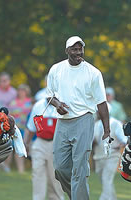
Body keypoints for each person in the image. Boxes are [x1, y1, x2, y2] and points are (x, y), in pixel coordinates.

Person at [46, 36, 110, 200]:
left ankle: (78, 196)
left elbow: (101, 103)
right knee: (60, 167)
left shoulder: (93, 73)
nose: (78, 52)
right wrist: (57, 104)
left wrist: (106, 130)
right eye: (74, 49)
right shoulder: (56, 69)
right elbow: (49, 96)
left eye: (80, 49)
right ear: (67, 51)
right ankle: (77, 195)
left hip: (84, 120)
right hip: (63, 122)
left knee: (79, 168)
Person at [24, 97, 64, 200]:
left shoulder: (62, 104)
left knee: (55, 177)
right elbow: (31, 127)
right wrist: (26, 144)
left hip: (56, 144)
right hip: (40, 142)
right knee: (37, 174)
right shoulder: (38, 105)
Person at [93, 104, 127, 200]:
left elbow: (124, 140)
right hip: (98, 156)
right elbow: (93, 140)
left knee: (106, 179)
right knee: (105, 181)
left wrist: (119, 145)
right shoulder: (95, 124)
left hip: (112, 155)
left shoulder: (116, 123)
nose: (97, 113)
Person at [0, 72, 17, 172]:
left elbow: (16, 107)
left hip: (9, 121)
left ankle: (6, 166)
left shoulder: (13, 92)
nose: (3, 83)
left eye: (5, 81)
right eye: (2, 81)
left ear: (9, 81)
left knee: (8, 143)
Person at [7, 84, 32, 173]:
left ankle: (21, 169)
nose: (21, 92)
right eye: (20, 91)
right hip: (14, 128)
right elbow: (9, 114)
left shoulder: (30, 102)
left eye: (23, 91)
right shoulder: (13, 102)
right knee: (11, 148)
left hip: (25, 128)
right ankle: (7, 168)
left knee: (22, 147)